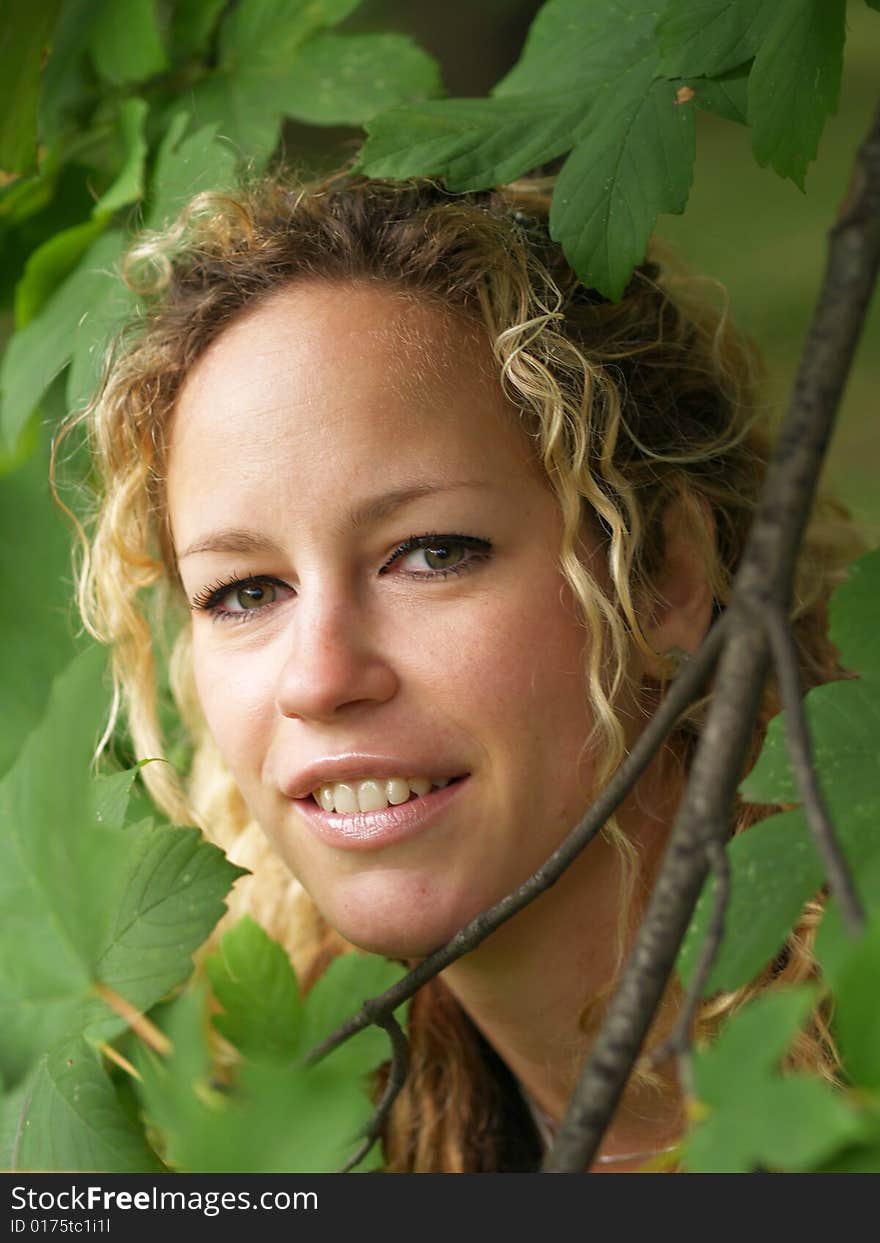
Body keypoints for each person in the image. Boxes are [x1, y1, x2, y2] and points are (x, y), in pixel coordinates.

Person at [63, 172, 855, 1172]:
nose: (319, 677)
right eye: (246, 591)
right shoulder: (280, 1126)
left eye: (431, 552)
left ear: (665, 576)